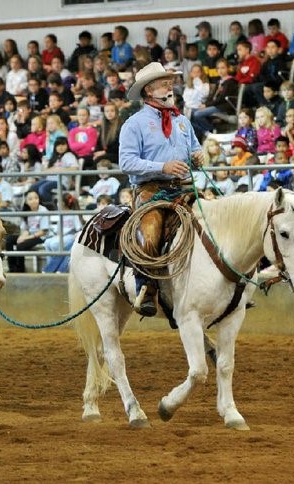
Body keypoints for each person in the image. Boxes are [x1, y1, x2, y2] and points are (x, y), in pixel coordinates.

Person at [119, 62, 203, 316]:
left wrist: (199, 156)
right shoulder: (134, 124)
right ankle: (146, 288)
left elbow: (195, 149)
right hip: (150, 190)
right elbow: (126, 162)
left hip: (184, 188)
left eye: (169, 81)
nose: (170, 85)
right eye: (163, 82)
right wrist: (162, 167)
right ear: (149, 90)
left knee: (213, 220)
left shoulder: (182, 121)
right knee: (151, 230)